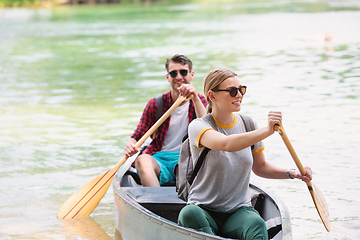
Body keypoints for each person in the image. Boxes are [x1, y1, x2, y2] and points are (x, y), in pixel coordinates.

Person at [177, 68, 312, 240]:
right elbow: (226, 144)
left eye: (241, 89)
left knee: (257, 223)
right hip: (203, 210)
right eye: (232, 91)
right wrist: (267, 130)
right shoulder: (199, 126)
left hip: (237, 211)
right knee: (189, 213)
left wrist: (293, 173)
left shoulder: (248, 124)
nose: (239, 95)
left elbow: (261, 167)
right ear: (212, 96)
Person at [124, 54, 207, 187]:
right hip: (160, 158)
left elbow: (207, 129)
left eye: (183, 72)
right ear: (168, 78)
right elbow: (138, 135)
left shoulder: (201, 102)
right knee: (142, 160)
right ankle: (156, 203)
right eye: (174, 73)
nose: (179, 77)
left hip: (190, 158)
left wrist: (195, 98)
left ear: (191, 75)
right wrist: (130, 145)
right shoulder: (156, 104)